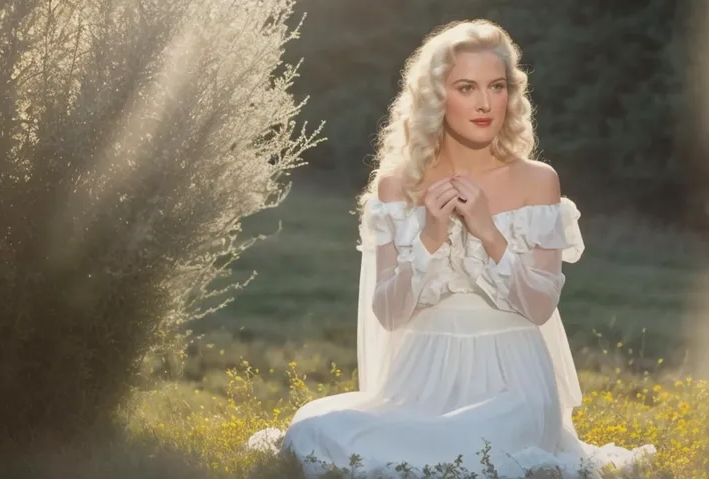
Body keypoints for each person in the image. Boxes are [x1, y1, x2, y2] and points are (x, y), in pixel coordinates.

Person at [248, 19, 655, 478]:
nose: (485, 103)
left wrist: (489, 232)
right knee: (315, 427)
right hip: (421, 379)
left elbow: (540, 306)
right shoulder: (397, 185)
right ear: (437, 97)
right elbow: (388, 312)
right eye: (467, 87)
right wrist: (429, 238)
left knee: (482, 445)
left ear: (511, 94)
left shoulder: (538, 180)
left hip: (512, 380)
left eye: (496, 86)